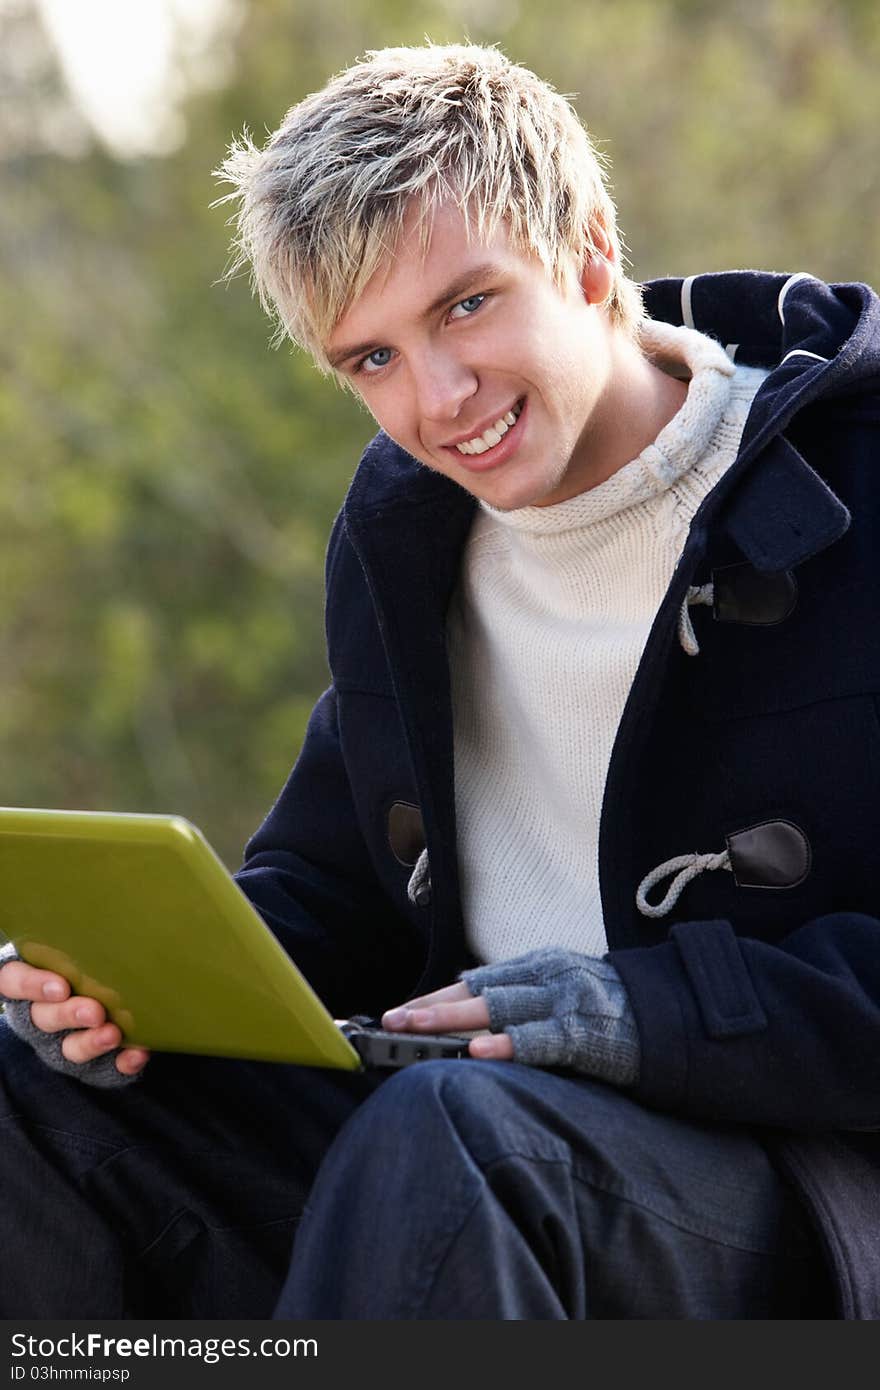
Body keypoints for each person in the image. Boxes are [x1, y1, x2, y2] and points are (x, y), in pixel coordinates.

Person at [1, 41, 878, 1319]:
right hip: (451, 1128)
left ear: (585, 253)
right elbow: (336, 893)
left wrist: (643, 1010)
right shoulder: (407, 534)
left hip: (790, 1183)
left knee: (457, 1132)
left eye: (466, 305)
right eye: (372, 360)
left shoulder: (857, 490)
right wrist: (132, 983)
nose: (439, 399)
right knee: (26, 1083)